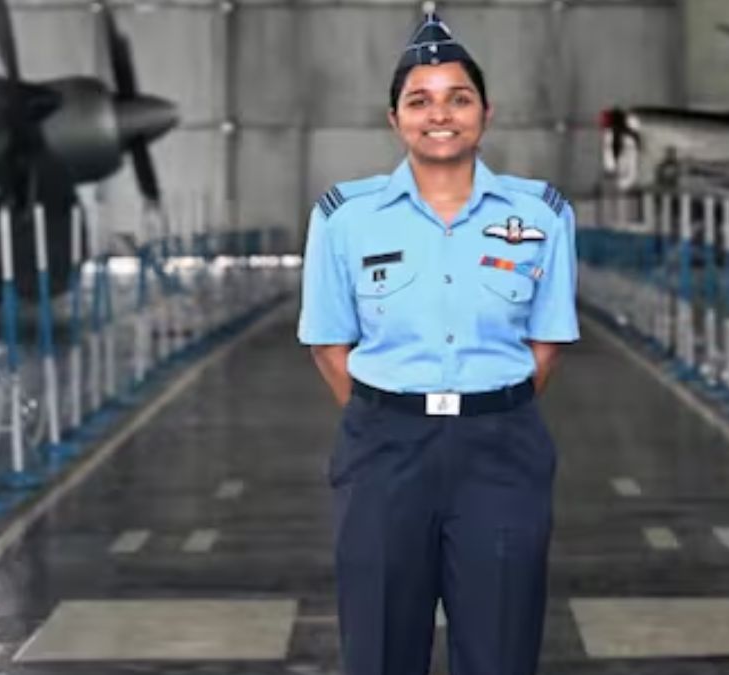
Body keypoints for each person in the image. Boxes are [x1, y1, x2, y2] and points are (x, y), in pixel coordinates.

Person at [297, 7, 578, 674]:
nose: (440, 113)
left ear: (486, 111)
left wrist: (486, 409)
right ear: (394, 118)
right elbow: (328, 344)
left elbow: (547, 341)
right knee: (381, 647)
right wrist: (393, 415)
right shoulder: (345, 217)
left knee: (502, 648)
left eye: (459, 97)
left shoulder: (540, 214)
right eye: (418, 100)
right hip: (384, 451)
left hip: (502, 450)